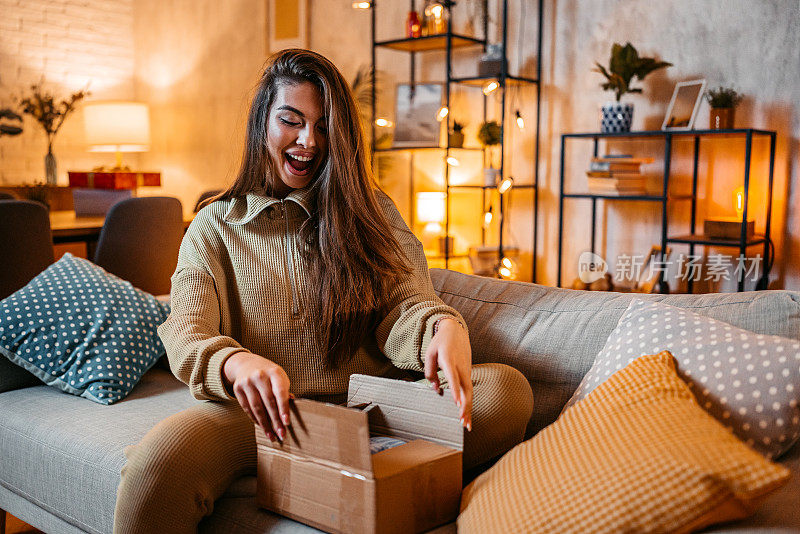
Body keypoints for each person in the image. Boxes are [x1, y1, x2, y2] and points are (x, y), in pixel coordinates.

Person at [113, 49, 533, 534]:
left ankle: (310, 472)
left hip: (373, 416)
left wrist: (440, 327)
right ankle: (300, 468)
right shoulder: (214, 226)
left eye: (324, 125)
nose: (309, 141)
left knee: (506, 391)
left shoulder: (372, 212)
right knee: (155, 466)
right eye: (291, 121)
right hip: (262, 419)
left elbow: (405, 305)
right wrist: (235, 361)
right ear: (262, 125)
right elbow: (186, 332)